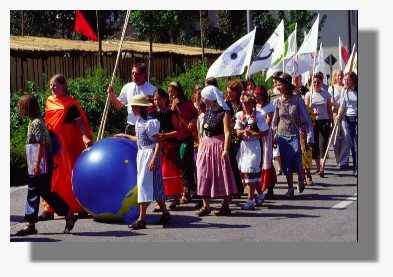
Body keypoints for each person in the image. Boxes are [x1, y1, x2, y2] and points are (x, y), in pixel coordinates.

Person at [15, 95, 77, 236]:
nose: (20, 108)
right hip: (41, 160)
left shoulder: (36, 123)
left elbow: (41, 143)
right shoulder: (36, 120)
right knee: (44, 191)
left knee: (35, 190)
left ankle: (31, 225)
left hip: (40, 161)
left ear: (27, 107)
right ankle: (68, 215)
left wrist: (36, 163)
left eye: (21, 105)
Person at [40, 74, 93, 220]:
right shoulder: (49, 101)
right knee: (53, 176)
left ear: (63, 86)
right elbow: (48, 124)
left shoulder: (70, 104)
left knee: (72, 174)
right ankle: (50, 209)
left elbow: (80, 123)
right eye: (51, 85)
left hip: (69, 142)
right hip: (54, 142)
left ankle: (79, 206)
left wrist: (84, 136)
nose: (52, 88)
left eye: (55, 85)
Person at [115, 94, 171, 229]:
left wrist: (153, 158)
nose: (132, 109)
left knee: (143, 185)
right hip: (142, 155)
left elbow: (158, 142)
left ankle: (141, 219)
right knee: (153, 185)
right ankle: (165, 213)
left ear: (140, 108)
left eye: (134, 106)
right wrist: (125, 136)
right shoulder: (139, 121)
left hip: (149, 155)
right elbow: (139, 140)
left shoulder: (149, 123)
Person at [195, 85, 238, 216]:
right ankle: (206, 206)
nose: (202, 99)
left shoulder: (224, 113)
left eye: (204, 97)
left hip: (218, 146)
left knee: (221, 174)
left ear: (210, 98)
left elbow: (227, 133)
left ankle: (225, 205)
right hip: (206, 146)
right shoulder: (207, 111)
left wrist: (225, 149)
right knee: (203, 174)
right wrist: (202, 143)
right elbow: (204, 129)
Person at [272, 73, 314, 197]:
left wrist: (309, 135)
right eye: (277, 84)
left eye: (280, 84)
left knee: (297, 160)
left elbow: (307, 119)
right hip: (282, 135)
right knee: (286, 163)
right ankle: (290, 188)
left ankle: (301, 176)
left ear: (286, 85)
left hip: (295, 135)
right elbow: (274, 121)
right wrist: (274, 136)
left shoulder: (297, 100)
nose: (278, 87)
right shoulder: (277, 102)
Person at [149, 89, 184, 210]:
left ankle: (175, 198)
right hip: (158, 147)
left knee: (170, 172)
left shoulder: (171, 114)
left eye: (159, 99)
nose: (156, 101)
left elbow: (180, 131)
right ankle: (161, 201)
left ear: (165, 99)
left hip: (170, 147)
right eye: (154, 99)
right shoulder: (152, 115)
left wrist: (166, 135)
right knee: (160, 174)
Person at [235, 91, 269, 209]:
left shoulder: (258, 116)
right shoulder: (240, 116)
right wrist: (239, 132)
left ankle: (250, 201)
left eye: (247, 103)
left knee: (250, 170)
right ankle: (260, 194)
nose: (245, 106)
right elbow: (236, 130)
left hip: (254, 146)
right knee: (247, 171)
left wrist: (253, 134)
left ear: (252, 103)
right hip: (244, 146)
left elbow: (265, 132)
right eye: (243, 103)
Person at [168, 81, 198, 204]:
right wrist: (173, 108)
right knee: (179, 165)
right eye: (169, 92)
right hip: (176, 139)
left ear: (178, 92)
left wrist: (193, 121)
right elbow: (168, 120)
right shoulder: (169, 107)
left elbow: (196, 115)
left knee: (185, 161)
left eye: (173, 92)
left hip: (187, 137)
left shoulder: (188, 104)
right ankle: (180, 190)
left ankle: (187, 191)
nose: (171, 95)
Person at [107, 63, 157, 136]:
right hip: (131, 126)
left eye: (136, 73)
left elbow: (156, 109)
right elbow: (118, 106)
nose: (134, 75)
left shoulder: (152, 90)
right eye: (132, 73)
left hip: (145, 125)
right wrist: (112, 94)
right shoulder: (127, 87)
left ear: (143, 74)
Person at [305, 72, 334, 178]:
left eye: (318, 82)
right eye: (314, 82)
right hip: (313, 122)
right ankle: (318, 167)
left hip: (324, 121)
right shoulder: (309, 94)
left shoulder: (326, 94)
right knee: (315, 146)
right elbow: (306, 109)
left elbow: (329, 110)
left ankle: (322, 168)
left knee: (323, 145)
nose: (316, 84)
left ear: (322, 83)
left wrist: (332, 121)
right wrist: (311, 111)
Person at [254, 86, 277, 197]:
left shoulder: (270, 107)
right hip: (256, 135)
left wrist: (257, 129)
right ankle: (259, 185)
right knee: (258, 159)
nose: (255, 98)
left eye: (257, 96)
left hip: (265, 135)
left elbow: (267, 123)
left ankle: (269, 185)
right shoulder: (255, 107)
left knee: (266, 159)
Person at [224, 79, 245, 198]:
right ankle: (235, 188)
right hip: (230, 136)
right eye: (228, 92)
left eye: (231, 92)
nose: (229, 95)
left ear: (237, 92)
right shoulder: (226, 104)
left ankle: (241, 187)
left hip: (241, 135)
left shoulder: (243, 104)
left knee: (240, 162)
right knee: (232, 163)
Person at [293, 75, 315, 186]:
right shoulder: (290, 108)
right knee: (297, 157)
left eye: (298, 98)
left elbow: (311, 121)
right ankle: (300, 177)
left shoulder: (306, 108)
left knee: (306, 155)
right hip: (293, 134)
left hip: (304, 133)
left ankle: (309, 175)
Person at [336, 72, 358, 176]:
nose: (346, 81)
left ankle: (358, 168)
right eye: (345, 80)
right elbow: (342, 105)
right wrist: (339, 115)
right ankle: (355, 166)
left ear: (353, 79)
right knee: (352, 145)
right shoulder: (344, 91)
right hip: (349, 118)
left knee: (358, 144)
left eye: (348, 79)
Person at [328, 69, 350, 168]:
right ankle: (338, 158)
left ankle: (344, 160)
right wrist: (340, 106)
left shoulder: (347, 88)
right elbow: (330, 101)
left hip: (345, 115)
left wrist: (344, 108)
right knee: (335, 138)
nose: (340, 77)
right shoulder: (332, 88)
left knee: (346, 136)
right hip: (335, 114)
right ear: (335, 77)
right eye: (338, 75)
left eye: (341, 75)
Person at [268, 71, 283, 176]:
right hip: (273, 121)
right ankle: (279, 167)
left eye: (277, 81)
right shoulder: (270, 92)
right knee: (275, 146)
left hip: (283, 121)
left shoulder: (284, 92)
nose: (275, 83)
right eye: (274, 81)